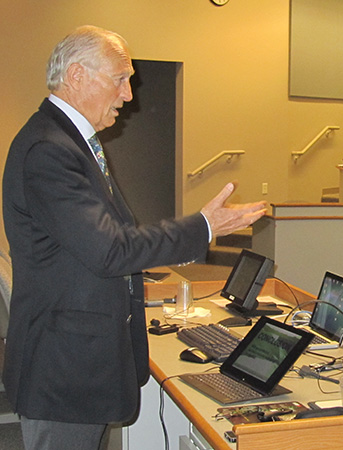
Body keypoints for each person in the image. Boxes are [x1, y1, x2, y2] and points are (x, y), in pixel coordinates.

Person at [2, 25, 267, 450]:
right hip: (63, 369)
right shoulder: (49, 150)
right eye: (120, 79)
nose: (129, 95)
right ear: (77, 76)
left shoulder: (69, 141)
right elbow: (110, 250)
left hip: (76, 356)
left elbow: (108, 240)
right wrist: (204, 226)